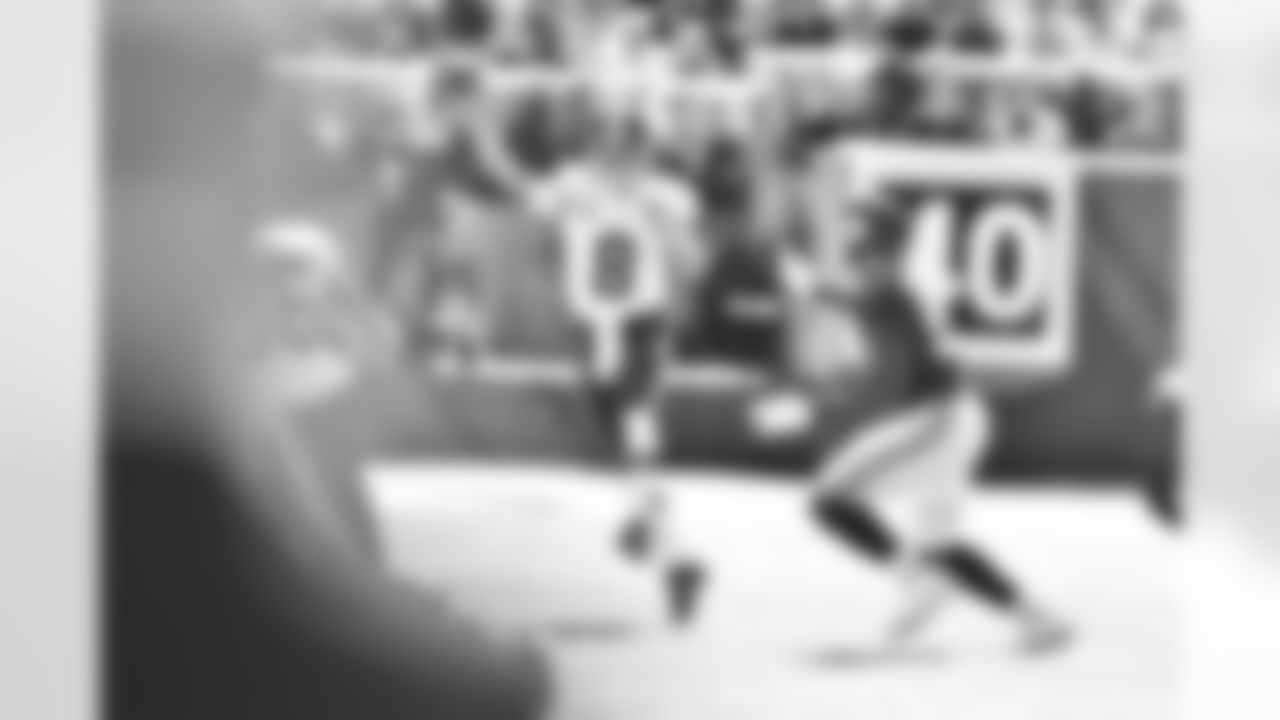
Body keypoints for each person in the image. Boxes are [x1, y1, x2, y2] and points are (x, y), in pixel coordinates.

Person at [762, 167, 1073, 652]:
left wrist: (802, 279)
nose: (854, 256)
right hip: (957, 416)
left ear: (888, 249)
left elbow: (866, 334)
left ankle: (921, 582)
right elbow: (876, 350)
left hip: (936, 421)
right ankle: (1037, 617)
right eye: (855, 247)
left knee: (828, 500)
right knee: (937, 544)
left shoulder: (893, 292)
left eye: (863, 246)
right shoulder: (900, 290)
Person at [523, 106, 711, 624]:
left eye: (626, 150)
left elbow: (694, 263)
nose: (615, 159)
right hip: (592, 331)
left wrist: (669, 232)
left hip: (639, 327)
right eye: (607, 148)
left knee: (637, 432)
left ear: (644, 154)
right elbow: (529, 204)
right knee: (624, 450)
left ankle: (672, 555)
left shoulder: (666, 197)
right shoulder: (573, 185)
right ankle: (655, 533)